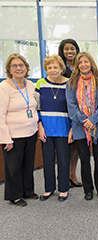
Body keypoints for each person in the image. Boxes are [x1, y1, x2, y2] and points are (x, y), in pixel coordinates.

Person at [66, 52, 98, 201]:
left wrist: (94, 119)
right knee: (84, 160)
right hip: (80, 127)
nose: (83, 64)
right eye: (80, 62)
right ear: (77, 66)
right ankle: (88, 190)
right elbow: (71, 107)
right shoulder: (71, 83)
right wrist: (85, 121)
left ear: (91, 63)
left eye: (86, 61)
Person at [0, 53, 39, 206]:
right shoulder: (4, 87)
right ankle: (15, 195)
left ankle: (28, 190)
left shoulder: (30, 85)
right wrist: (5, 138)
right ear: (9, 69)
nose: (18, 68)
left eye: (21, 65)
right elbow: (0, 114)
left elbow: (34, 105)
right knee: (14, 166)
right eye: (14, 65)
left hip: (31, 132)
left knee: (28, 164)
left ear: (26, 68)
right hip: (13, 135)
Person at [36, 55, 72, 202]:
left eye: (55, 67)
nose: (52, 70)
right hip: (46, 128)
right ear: (46, 69)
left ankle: (63, 189)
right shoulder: (40, 84)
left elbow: (72, 108)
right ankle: (49, 188)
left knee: (64, 160)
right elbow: (36, 107)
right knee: (48, 160)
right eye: (49, 67)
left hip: (64, 128)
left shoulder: (69, 84)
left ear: (61, 69)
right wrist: (39, 126)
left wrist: (72, 129)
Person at [58, 38, 83, 188]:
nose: (70, 51)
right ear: (62, 51)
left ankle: (72, 174)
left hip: (81, 110)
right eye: (66, 49)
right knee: (66, 144)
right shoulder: (60, 67)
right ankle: (65, 175)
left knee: (77, 145)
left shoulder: (81, 65)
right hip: (65, 109)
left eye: (72, 48)